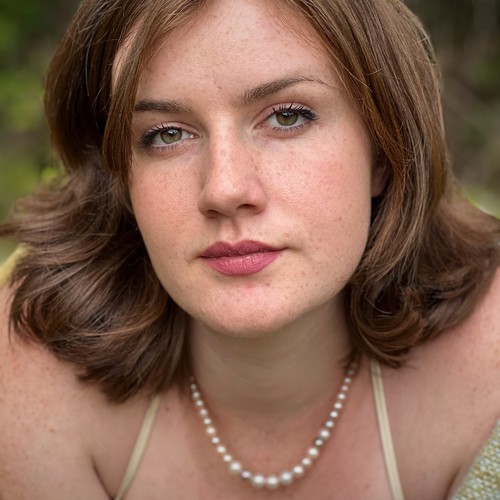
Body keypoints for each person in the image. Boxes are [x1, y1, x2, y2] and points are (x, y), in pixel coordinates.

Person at [0, 0, 498, 498]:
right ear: (120, 178)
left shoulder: (489, 361)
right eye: (166, 134)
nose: (224, 189)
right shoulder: (30, 352)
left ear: (384, 152)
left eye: (286, 117)